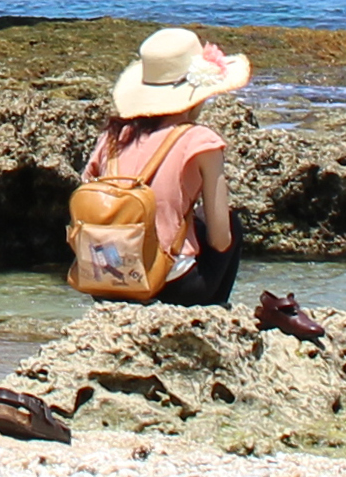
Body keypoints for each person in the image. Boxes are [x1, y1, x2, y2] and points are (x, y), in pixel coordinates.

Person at [86, 27, 252, 306]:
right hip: (172, 288)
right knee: (230, 223)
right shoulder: (200, 141)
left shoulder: (111, 138)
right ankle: (213, 317)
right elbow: (221, 240)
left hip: (106, 282)